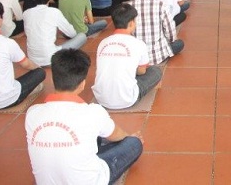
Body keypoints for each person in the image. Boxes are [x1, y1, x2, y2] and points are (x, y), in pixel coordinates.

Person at [25, 49, 143, 184]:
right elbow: (116, 134)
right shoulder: (93, 112)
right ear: (82, 83)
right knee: (134, 143)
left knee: (95, 136)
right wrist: (129, 138)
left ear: (53, 79)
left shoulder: (32, 113)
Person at [92, 4, 162, 109]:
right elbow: (142, 72)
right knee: (155, 71)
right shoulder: (138, 43)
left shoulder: (103, 42)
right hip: (127, 99)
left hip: (101, 99)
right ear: (131, 23)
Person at [23, 0, 87, 66]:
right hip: (52, 58)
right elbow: (72, 33)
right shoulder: (54, 12)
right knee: (82, 36)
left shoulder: (26, 13)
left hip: (32, 59)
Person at [132, 0, 184, 65]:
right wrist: (171, 40)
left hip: (136, 57)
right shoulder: (160, 5)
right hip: (157, 56)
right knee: (179, 43)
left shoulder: (129, 6)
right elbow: (170, 32)